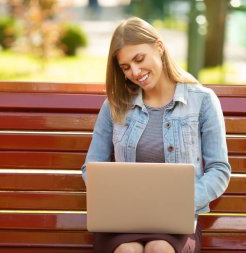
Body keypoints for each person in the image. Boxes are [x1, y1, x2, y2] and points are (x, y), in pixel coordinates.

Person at [81, 17, 231, 253]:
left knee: (159, 248)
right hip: (123, 219)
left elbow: (219, 169)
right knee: (127, 251)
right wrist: (114, 199)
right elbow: (90, 167)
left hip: (175, 222)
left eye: (139, 59)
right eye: (126, 67)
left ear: (159, 47)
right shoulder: (114, 106)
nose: (135, 72)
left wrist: (180, 204)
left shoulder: (201, 101)